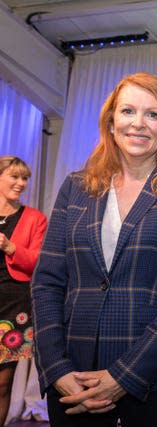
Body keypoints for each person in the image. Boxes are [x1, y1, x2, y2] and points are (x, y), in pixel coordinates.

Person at [31, 72, 157, 427]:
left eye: (153, 114)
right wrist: (55, 368)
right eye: (128, 111)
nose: (138, 124)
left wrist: (124, 377)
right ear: (111, 122)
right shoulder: (75, 188)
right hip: (73, 380)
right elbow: (47, 282)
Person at [0, 156, 47, 426]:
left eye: (24, 178)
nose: (21, 183)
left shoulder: (34, 219)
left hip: (14, 306)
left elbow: (40, 261)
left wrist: (11, 247)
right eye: (14, 177)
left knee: (3, 384)